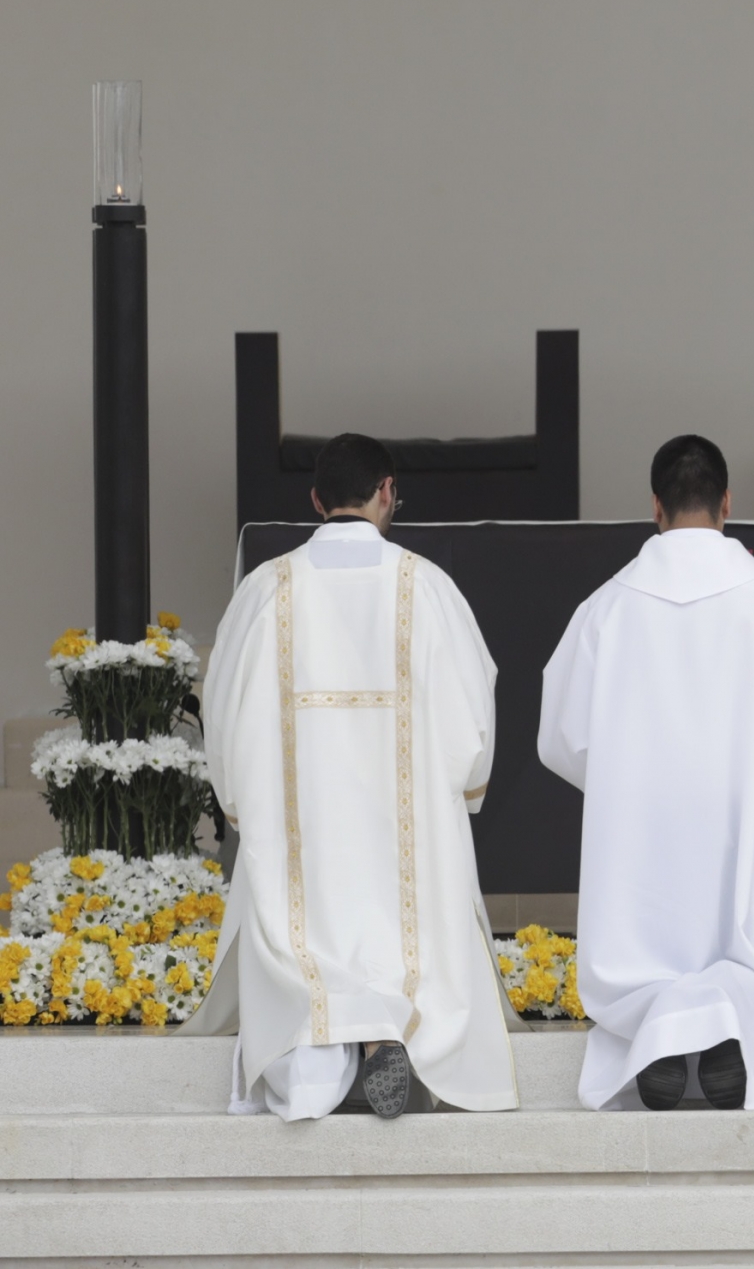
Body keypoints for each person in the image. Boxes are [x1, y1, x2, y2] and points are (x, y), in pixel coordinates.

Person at [191, 434, 516, 1119]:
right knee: (408, 946)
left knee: (301, 958)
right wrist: (461, 788)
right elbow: (472, 715)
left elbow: (221, 707)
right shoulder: (427, 587)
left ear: (316, 500)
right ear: (388, 492)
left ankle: (323, 1057)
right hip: (407, 833)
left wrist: (240, 801)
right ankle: (388, 1033)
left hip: (300, 833)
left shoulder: (266, 589)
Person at [537, 435, 754, 1111]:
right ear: (727, 503)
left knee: (644, 942)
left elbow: (562, 736)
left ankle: (661, 1030)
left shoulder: (606, 608)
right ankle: (725, 1025)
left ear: (655, 506)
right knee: (742, 937)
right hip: (739, 810)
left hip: (639, 822)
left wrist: (622, 779)